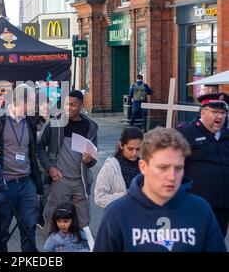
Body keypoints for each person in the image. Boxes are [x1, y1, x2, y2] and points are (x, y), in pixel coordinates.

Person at [93, 127, 226, 252]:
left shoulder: (201, 210)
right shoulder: (117, 214)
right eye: (163, 168)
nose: (171, 177)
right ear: (144, 167)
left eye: (178, 168)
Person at [0, 84, 43, 252]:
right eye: (32, 102)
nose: (34, 106)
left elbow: (34, 148)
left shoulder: (30, 120)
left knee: (29, 226)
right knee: (1, 230)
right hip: (5, 184)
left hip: (27, 182)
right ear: (21, 101)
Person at [37, 90, 97, 234]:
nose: (68, 107)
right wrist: (49, 168)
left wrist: (90, 160)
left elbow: (94, 157)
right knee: (53, 218)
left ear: (82, 105)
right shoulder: (54, 123)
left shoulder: (91, 127)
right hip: (59, 180)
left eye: (73, 105)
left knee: (84, 221)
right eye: (66, 104)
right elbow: (38, 147)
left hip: (81, 182)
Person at [177, 92, 229, 237]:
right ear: (203, 112)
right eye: (215, 112)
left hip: (223, 206)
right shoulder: (185, 133)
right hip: (196, 205)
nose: (219, 117)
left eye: (223, 113)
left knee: (217, 241)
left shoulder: (227, 135)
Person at [94, 127, 143, 208]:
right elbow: (99, 198)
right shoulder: (111, 167)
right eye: (130, 149)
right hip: (120, 217)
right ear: (121, 145)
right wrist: (125, 195)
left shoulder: (146, 165)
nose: (134, 153)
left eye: (138, 149)